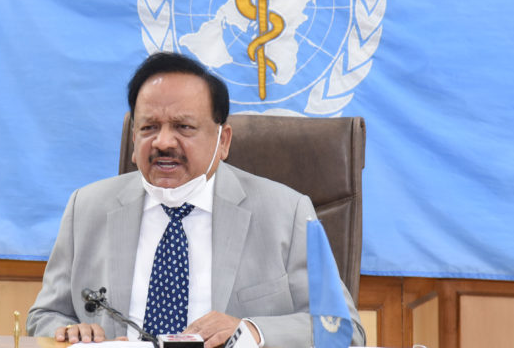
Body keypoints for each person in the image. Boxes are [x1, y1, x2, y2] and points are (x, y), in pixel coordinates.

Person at [27, 52, 365, 347]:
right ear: (133, 139)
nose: (163, 142)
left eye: (183, 127)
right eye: (148, 128)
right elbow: (46, 316)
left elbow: (343, 331)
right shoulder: (86, 208)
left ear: (223, 141)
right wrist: (71, 333)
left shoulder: (286, 213)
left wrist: (250, 330)